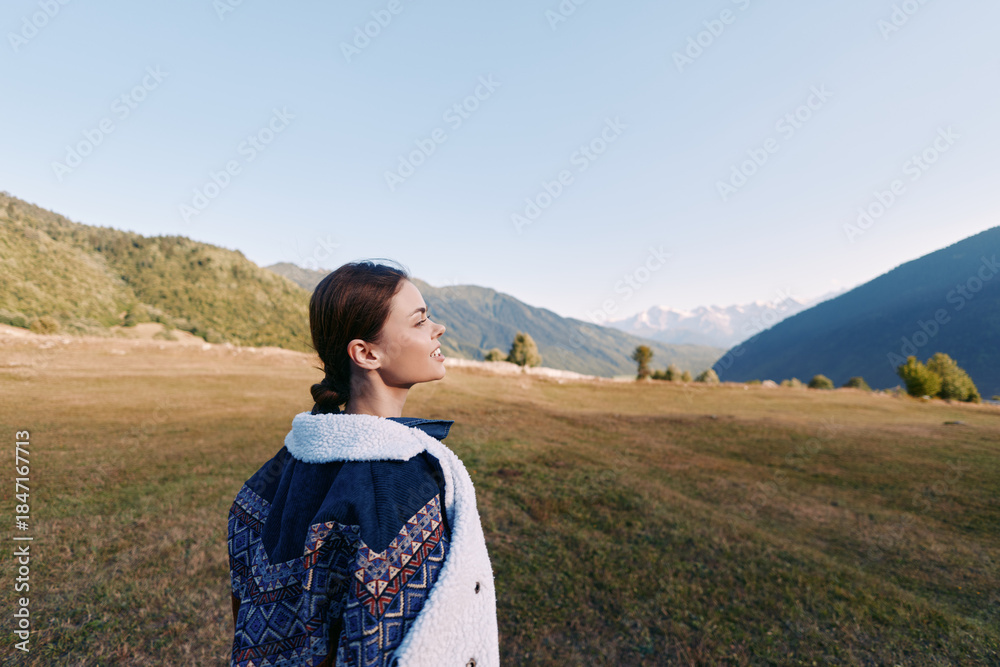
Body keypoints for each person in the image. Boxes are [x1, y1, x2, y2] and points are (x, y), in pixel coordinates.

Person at [227, 259, 499, 667]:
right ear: (366, 353)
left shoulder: (276, 471)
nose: (437, 328)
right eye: (420, 321)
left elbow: (244, 596)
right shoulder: (402, 487)